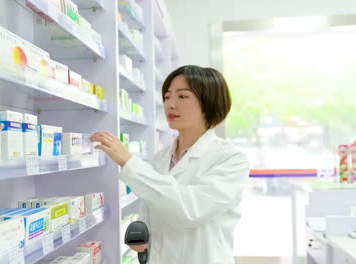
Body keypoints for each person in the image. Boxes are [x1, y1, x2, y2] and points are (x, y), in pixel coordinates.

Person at [90, 65, 250, 264]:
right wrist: (141, 231)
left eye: (182, 97)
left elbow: (191, 210)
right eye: (167, 97)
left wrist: (128, 161)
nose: (170, 104)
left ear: (209, 102)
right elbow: (151, 210)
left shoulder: (230, 159)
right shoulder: (160, 159)